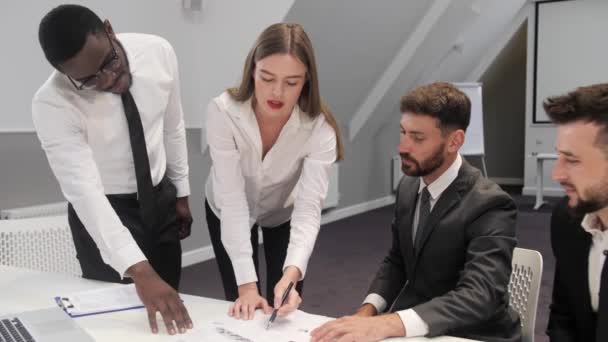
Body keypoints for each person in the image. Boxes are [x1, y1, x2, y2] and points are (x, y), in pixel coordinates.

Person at [311, 82, 521, 342]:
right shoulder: (409, 187)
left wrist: (390, 323)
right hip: (415, 329)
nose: (403, 147)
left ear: (454, 141)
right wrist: (366, 313)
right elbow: (397, 260)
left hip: (473, 334)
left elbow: (480, 295)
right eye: (403, 133)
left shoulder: (490, 204)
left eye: (417, 138)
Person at [33, 4, 193, 335]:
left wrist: (181, 192)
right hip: (106, 211)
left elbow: (172, 125)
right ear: (64, 74)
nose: (108, 79)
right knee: (113, 323)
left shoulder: (158, 51)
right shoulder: (51, 103)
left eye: (109, 62)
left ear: (109, 29)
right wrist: (140, 271)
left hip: (160, 197)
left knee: (168, 307)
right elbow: (85, 193)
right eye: (88, 80)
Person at [204, 22, 344, 320]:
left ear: (307, 81)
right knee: (244, 304)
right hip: (226, 208)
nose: (277, 92)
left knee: (284, 302)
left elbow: (308, 211)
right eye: (267, 78)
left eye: (292, 82)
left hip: (285, 212)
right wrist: (246, 287)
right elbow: (232, 201)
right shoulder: (223, 112)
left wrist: (292, 274)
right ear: (252, 70)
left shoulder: (320, 128)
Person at [545, 83, 608, 342]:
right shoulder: (568, 220)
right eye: (559, 157)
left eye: (572, 160)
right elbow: (564, 318)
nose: (557, 174)